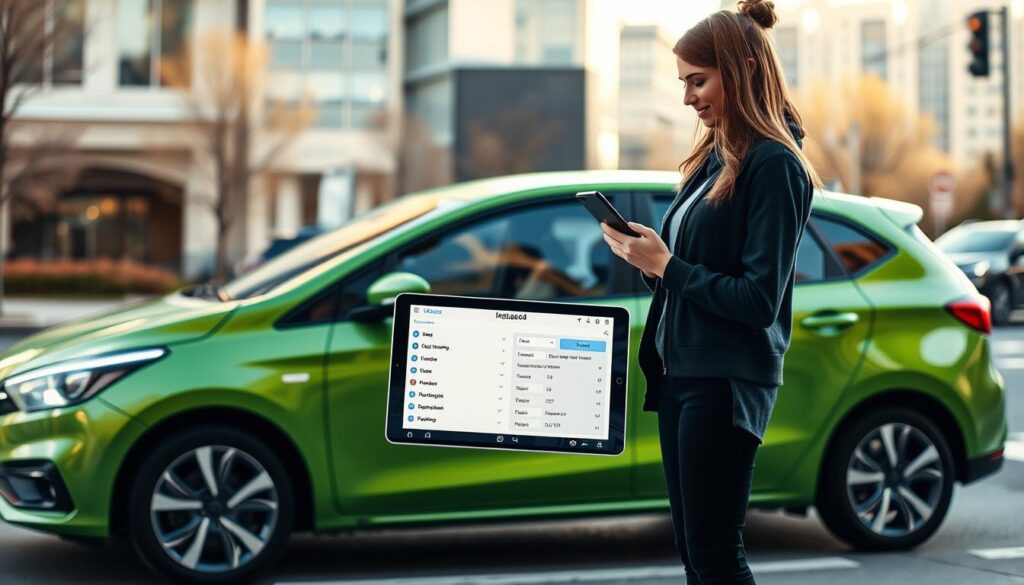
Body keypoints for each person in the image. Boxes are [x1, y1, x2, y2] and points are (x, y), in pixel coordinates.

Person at [599, 1, 823, 583]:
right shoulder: (717, 157)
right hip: (682, 375)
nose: (687, 98)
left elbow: (758, 300)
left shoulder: (775, 165)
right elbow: (698, 269)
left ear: (743, 69)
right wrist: (649, 262)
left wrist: (669, 267)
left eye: (697, 81)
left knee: (716, 555)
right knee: (694, 553)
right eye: (683, 83)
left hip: (724, 384)